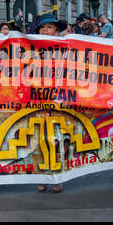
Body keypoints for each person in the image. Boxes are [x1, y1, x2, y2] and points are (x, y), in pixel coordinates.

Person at [35, 13, 66, 193]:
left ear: (56, 31)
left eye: (49, 27)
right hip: (37, 99)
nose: (45, 30)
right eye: (42, 27)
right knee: (39, 141)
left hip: (59, 100)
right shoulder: (29, 47)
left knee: (56, 139)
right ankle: (41, 176)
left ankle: (57, 176)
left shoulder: (66, 47)